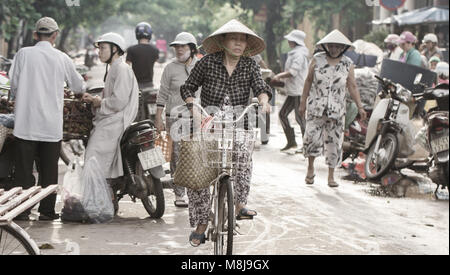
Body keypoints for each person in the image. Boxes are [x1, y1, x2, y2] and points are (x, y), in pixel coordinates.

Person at [180, 19, 272, 246]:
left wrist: (264, 100)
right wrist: (194, 108)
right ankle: (202, 223)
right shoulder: (208, 62)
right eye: (234, 39)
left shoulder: (250, 65)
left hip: (239, 123)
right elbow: (188, 87)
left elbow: (261, 88)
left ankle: (240, 204)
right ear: (223, 41)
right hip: (209, 123)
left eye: (242, 40)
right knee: (198, 171)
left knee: (243, 158)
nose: (239, 44)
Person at [9, 17, 85, 221]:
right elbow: (78, 87)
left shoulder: (23, 54)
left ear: (35, 35)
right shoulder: (61, 58)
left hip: (25, 124)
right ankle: (47, 212)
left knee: (24, 171)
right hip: (50, 126)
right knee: (49, 172)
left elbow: (13, 85)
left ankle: (22, 211)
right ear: (55, 35)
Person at [299, 29, 367, 188]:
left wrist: (360, 107)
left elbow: (352, 86)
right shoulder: (317, 59)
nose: (334, 49)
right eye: (331, 46)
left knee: (334, 143)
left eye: (337, 46)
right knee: (311, 139)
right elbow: (308, 81)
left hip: (336, 111)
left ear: (343, 48)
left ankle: (331, 176)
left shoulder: (347, 64)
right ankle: (310, 168)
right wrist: (302, 102)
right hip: (316, 107)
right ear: (326, 46)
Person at [82, 33, 139, 187]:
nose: (99, 52)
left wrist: (97, 101)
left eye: (103, 48)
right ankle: (108, 194)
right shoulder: (115, 68)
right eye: (99, 48)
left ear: (115, 49)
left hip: (117, 119)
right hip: (111, 117)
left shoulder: (121, 69)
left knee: (93, 155)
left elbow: (118, 101)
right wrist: (95, 99)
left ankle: (101, 196)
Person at [155, 32, 200, 208]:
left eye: (183, 46)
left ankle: (196, 191)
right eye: (177, 47)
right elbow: (163, 93)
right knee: (177, 156)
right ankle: (179, 193)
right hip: (174, 117)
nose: (179, 50)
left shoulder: (201, 66)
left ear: (192, 49)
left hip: (197, 117)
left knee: (196, 154)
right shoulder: (170, 68)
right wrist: (158, 117)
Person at [272, 30, 309, 152]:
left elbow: (293, 72)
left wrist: (278, 76)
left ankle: (307, 145)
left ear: (294, 41)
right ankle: (291, 141)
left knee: (300, 118)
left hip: (299, 91)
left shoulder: (299, 54)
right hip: (293, 90)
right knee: (282, 114)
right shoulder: (295, 53)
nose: (288, 41)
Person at [126, 22, 159, 90]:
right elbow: (155, 60)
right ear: (150, 34)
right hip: (149, 85)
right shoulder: (155, 50)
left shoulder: (131, 49)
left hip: (134, 85)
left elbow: (126, 67)